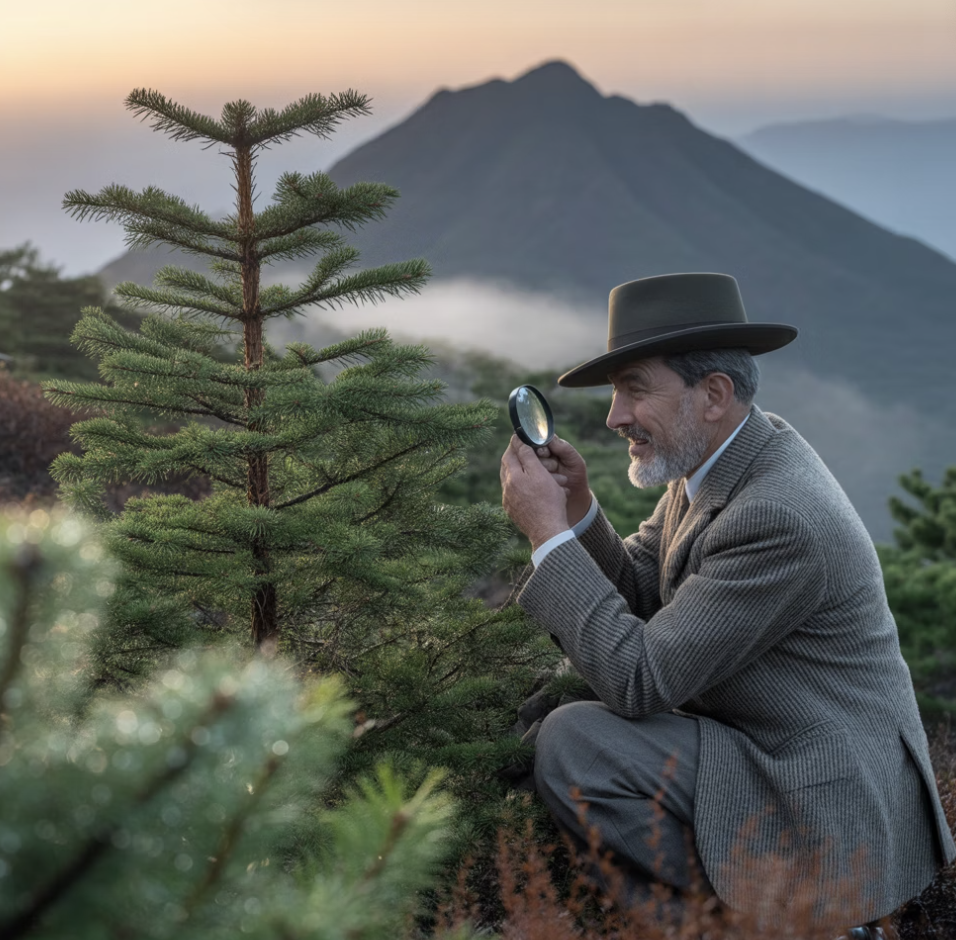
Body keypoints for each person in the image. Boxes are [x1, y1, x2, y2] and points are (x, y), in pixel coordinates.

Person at [499, 273, 955, 931]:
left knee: (577, 739)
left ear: (712, 394)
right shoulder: (722, 462)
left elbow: (640, 679)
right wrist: (576, 512)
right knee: (563, 715)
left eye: (633, 389)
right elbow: (646, 591)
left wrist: (546, 537)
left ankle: (778, 923)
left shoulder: (776, 515)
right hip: (773, 747)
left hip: (824, 800)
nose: (614, 416)